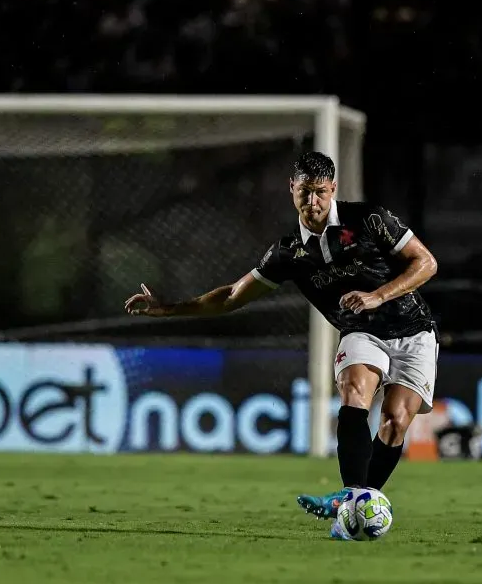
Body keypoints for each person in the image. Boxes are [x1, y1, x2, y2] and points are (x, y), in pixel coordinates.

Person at [124, 152, 439, 540]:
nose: (313, 202)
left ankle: (350, 506)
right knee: (355, 391)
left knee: (395, 422)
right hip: (361, 332)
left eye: (320, 192)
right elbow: (231, 296)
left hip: (414, 330)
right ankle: (353, 495)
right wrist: (168, 308)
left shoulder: (370, 220)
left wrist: (378, 294)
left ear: (333, 189)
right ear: (292, 190)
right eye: (304, 192)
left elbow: (425, 263)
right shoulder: (289, 253)